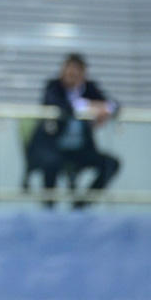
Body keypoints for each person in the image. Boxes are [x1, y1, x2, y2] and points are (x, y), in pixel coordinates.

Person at [27, 53, 121, 206]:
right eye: (68, 71)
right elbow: (57, 104)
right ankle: (48, 208)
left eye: (76, 72)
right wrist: (89, 106)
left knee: (111, 164)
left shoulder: (89, 88)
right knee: (51, 162)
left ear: (83, 74)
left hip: (80, 151)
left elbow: (114, 105)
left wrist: (105, 108)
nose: (71, 75)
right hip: (54, 148)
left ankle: (82, 204)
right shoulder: (53, 86)